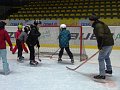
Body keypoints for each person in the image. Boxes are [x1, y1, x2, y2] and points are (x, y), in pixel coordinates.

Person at [89, 14, 114, 79]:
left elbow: (100, 36)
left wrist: (100, 46)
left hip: (105, 44)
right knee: (106, 57)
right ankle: (109, 70)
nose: (89, 22)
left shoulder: (98, 26)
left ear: (93, 21)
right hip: (110, 43)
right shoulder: (100, 24)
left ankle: (102, 75)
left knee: (101, 58)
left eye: (90, 21)